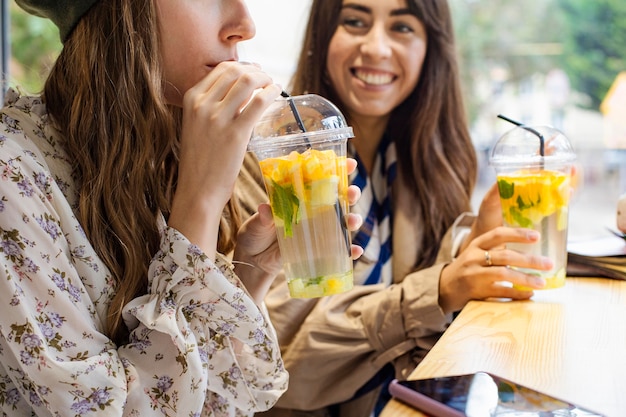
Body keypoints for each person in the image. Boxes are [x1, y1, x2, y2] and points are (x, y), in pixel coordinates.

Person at [0, 0, 363, 415]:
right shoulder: (10, 174)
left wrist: (250, 273)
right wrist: (201, 201)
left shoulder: (148, 152)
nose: (244, 26)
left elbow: (210, 398)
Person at [240, 0, 554, 415]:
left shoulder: (436, 158)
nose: (376, 48)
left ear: (431, 48)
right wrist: (436, 292)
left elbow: (433, 300)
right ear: (322, 35)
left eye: (402, 27)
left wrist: (478, 238)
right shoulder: (270, 162)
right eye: (355, 21)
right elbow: (276, 350)